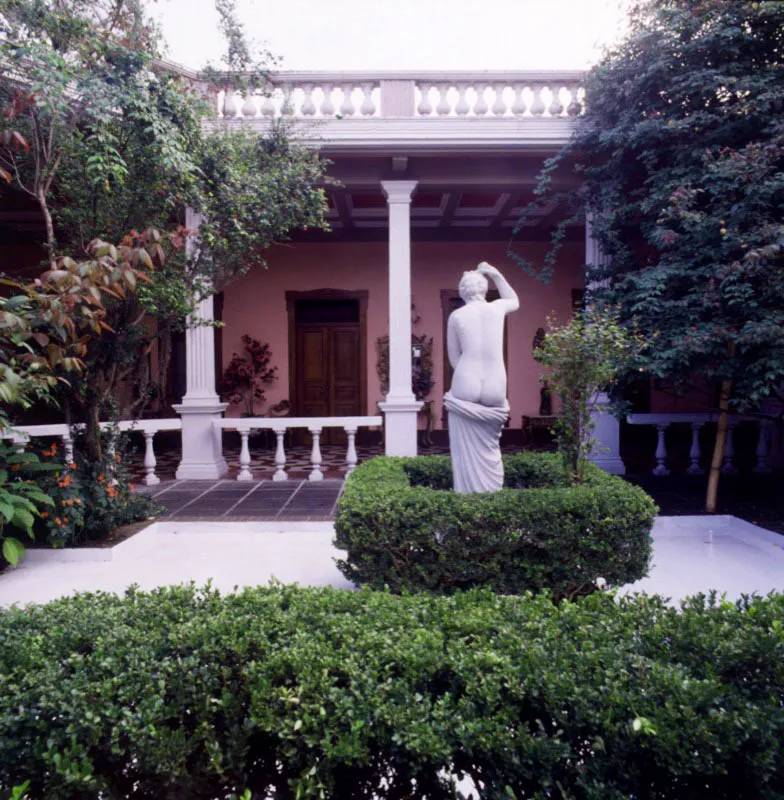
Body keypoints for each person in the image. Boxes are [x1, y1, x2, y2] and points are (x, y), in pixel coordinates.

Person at [444, 262, 519, 493]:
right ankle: (491, 494)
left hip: (467, 376)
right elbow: (515, 301)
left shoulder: (456, 316)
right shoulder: (497, 308)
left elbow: (454, 358)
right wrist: (495, 273)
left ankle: (467, 494)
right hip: (496, 379)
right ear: (484, 289)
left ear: (462, 291)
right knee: (491, 446)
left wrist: (468, 373)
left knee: (464, 449)